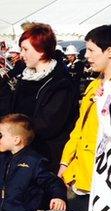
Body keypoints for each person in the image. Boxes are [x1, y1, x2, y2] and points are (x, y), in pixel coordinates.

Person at [58, 25, 111, 211]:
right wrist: (65, 161)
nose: (87, 56)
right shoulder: (94, 85)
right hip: (81, 173)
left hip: (106, 176)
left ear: (110, 52)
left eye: (91, 50)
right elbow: (79, 127)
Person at [5, 23, 79, 173]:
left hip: (45, 157)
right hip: (20, 151)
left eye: (25, 49)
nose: (21, 54)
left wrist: (16, 133)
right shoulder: (25, 77)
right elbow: (12, 109)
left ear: (41, 51)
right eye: (21, 49)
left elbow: (49, 124)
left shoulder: (60, 82)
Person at [0, 114, 67, 211]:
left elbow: (53, 182)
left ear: (16, 140)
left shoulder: (34, 161)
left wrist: (59, 197)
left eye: (1, 135)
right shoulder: (3, 158)